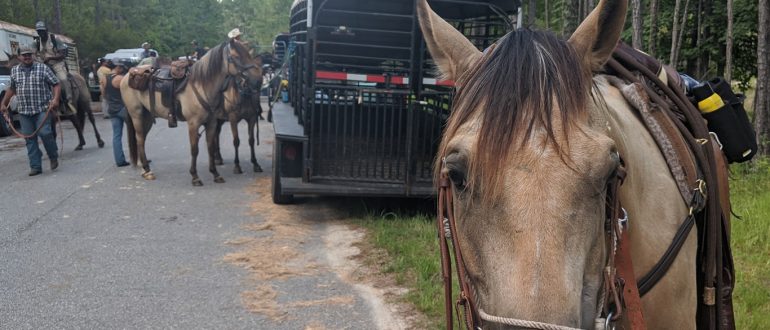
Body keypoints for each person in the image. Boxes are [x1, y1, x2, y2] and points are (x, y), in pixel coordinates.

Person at [0, 47, 60, 176]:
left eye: (29, 55)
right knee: (29, 139)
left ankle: (53, 155)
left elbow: (56, 83)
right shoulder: (15, 71)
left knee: (45, 133)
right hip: (24, 112)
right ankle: (35, 166)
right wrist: (4, 103)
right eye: (24, 55)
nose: (26, 57)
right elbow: (12, 88)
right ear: (19, 57)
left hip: (42, 109)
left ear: (32, 55)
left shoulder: (42, 68)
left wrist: (55, 99)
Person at [34, 21, 75, 114]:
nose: (41, 33)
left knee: (63, 79)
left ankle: (69, 101)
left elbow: (63, 54)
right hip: (43, 65)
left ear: (46, 30)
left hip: (57, 63)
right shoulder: (36, 42)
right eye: (39, 31)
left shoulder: (54, 39)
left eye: (42, 31)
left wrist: (50, 57)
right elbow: (32, 53)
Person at [103, 61, 130, 167]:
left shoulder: (104, 79)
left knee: (116, 135)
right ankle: (139, 158)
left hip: (112, 109)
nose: (122, 70)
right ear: (117, 67)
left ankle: (119, 160)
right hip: (123, 108)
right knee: (134, 133)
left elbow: (104, 94)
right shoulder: (120, 79)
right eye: (121, 68)